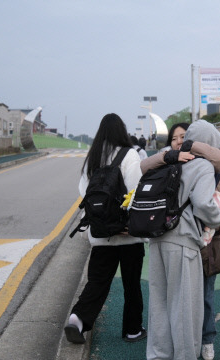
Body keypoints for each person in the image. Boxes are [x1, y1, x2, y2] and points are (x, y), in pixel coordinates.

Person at [141, 120, 220, 360]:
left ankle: (159, 355)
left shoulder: (167, 160)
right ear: (207, 143)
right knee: (186, 309)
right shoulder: (201, 166)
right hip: (183, 242)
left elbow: (142, 168)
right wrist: (218, 217)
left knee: (159, 305)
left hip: (157, 237)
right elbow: (202, 203)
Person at [64, 113, 148, 344]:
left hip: (101, 233)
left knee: (98, 282)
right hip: (128, 234)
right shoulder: (130, 154)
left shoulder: (93, 158)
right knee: (132, 285)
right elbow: (135, 190)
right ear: (122, 131)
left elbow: (84, 193)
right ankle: (132, 330)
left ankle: (77, 319)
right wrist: (132, 222)